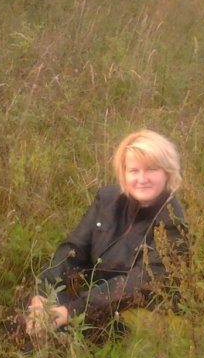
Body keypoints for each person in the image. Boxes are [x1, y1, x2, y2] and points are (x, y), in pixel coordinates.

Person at [26, 129, 187, 336]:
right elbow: (72, 250)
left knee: (61, 334)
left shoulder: (173, 223)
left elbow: (137, 284)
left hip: (132, 315)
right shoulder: (108, 200)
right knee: (24, 323)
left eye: (151, 170)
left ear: (167, 173)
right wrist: (43, 295)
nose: (142, 179)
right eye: (134, 170)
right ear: (123, 173)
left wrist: (69, 312)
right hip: (89, 298)